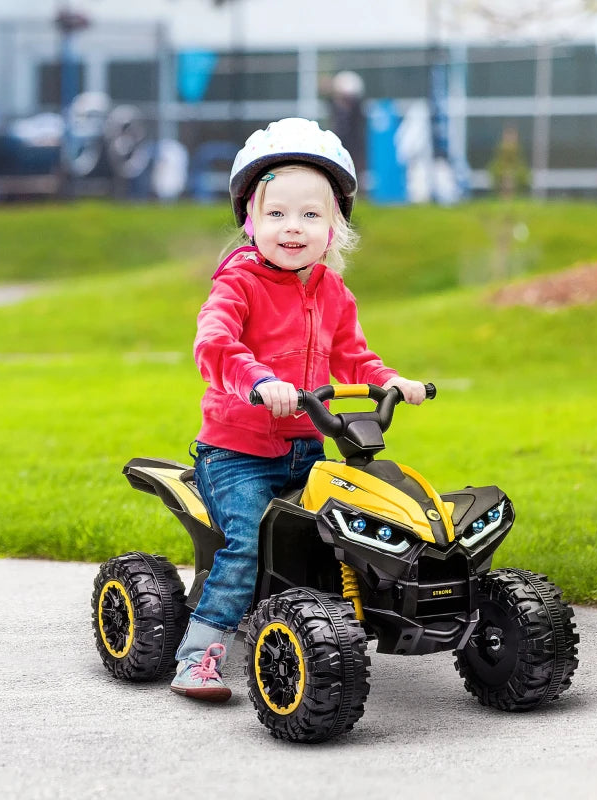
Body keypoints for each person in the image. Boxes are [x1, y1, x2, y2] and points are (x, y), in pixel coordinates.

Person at [171, 117, 425, 702]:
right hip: (238, 455)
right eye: (278, 213)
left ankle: (333, 629)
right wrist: (257, 380)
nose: (294, 228)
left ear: (335, 226)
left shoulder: (332, 292)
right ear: (250, 220)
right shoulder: (238, 284)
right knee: (245, 546)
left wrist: (392, 381)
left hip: (307, 446)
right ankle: (198, 655)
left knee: (344, 533)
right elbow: (214, 344)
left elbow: (354, 356)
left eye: (311, 215)